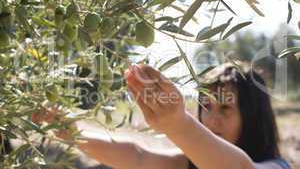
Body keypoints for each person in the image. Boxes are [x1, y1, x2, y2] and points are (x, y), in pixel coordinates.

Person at [33, 62, 291, 169]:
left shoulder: (277, 166)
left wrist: (179, 125)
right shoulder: (189, 164)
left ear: (253, 116)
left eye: (225, 108)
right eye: (206, 107)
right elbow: (137, 156)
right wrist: (69, 130)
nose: (212, 120)